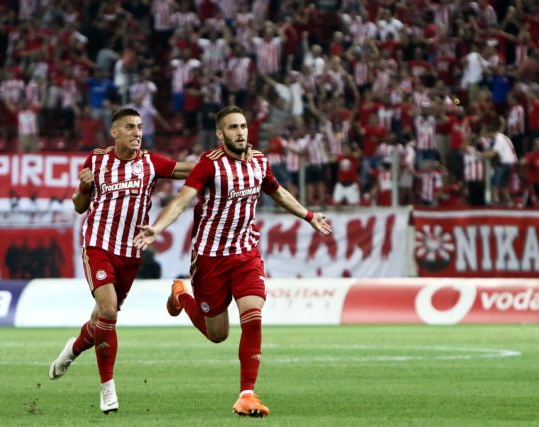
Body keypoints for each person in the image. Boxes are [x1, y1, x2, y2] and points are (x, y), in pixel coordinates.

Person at [133, 106, 332, 417]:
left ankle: (246, 395)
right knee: (218, 334)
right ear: (220, 134)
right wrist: (157, 228)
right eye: (233, 127)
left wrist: (308, 215)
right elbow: (182, 201)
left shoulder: (259, 162)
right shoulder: (209, 164)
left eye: (243, 126)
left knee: (253, 314)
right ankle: (181, 295)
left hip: (246, 254)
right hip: (210, 259)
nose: (240, 132)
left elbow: (278, 193)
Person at [47, 108, 194, 414]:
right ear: (114, 132)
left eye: (139, 127)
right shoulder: (97, 160)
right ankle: (107, 389)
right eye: (130, 127)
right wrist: (84, 186)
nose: (137, 132)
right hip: (98, 245)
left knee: (100, 321)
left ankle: (72, 350)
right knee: (109, 311)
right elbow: (79, 206)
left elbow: (188, 170)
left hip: (130, 253)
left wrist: (224, 163)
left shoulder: (150, 163)